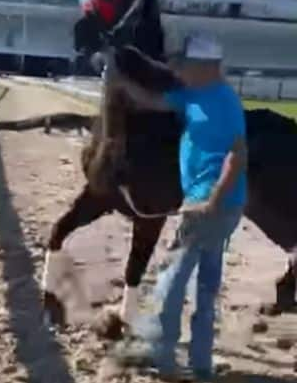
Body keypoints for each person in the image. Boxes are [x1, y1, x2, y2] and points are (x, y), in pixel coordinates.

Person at [104, 33, 248, 381]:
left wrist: (211, 200)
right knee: (207, 285)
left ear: (206, 66)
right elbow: (154, 101)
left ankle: (160, 355)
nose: (178, 70)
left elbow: (238, 154)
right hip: (213, 204)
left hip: (212, 204)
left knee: (171, 279)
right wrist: (121, 83)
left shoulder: (224, 103)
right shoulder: (193, 96)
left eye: (184, 65)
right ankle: (201, 364)